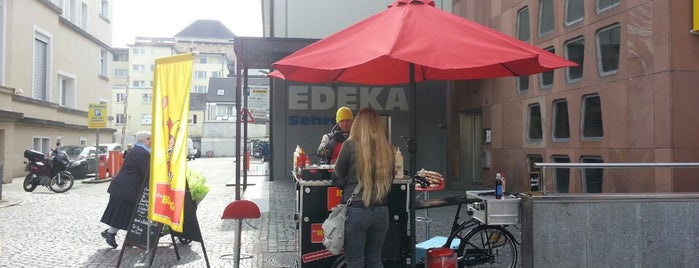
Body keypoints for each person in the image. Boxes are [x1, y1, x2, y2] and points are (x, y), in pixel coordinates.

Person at [331, 108, 394, 268]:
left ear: (357, 123)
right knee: (375, 259)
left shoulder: (349, 145)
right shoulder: (387, 148)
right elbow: (390, 179)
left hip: (356, 212)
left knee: (355, 261)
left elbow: (337, 179)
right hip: (381, 212)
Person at [99, 131, 151, 249]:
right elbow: (147, 171)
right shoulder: (142, 152)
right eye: (149, 139)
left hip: (124, 187)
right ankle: (111, 233)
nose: (151, 141)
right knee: (123, 213)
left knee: (128, 214)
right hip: (126, 188)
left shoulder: (138, 150)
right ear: (143, 140)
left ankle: (127, 237)